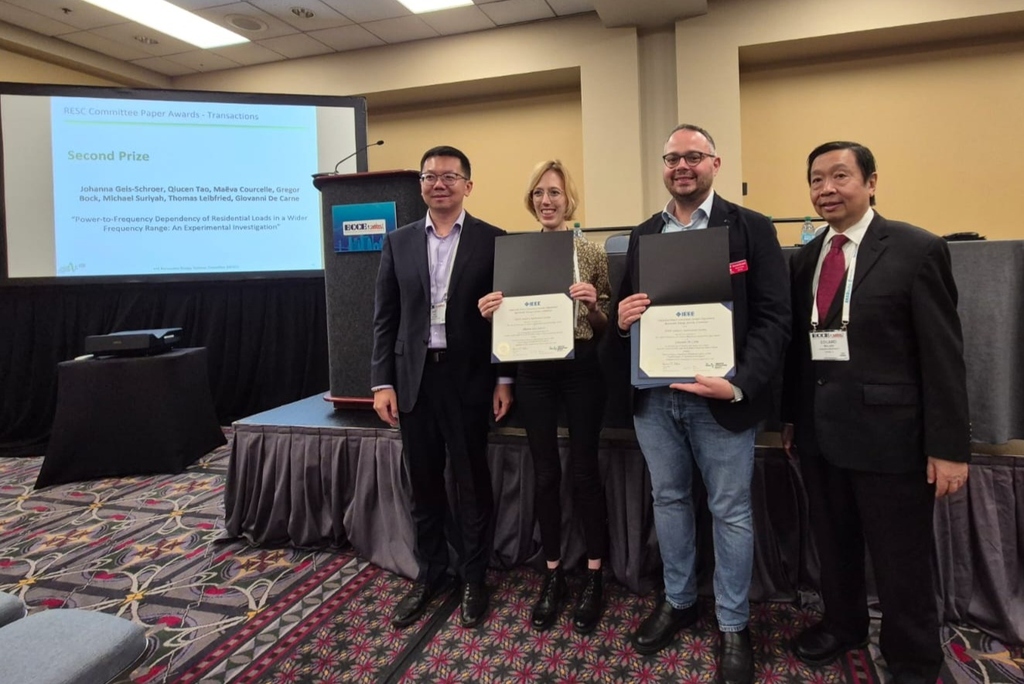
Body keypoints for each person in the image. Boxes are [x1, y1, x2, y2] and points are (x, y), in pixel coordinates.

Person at [781, 141, 970, 684]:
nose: (826, 189)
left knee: (900, 558)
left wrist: (949, 447)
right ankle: (842, 626)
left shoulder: (916, 249)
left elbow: (943, 355)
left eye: (839, 176)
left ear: (871, 182)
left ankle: (913, 658)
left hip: (892, 437)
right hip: (820, 432)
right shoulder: (806, 259)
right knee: (834, 545)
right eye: (816, 180)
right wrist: (794, 417)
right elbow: (803, 349)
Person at [612, 124, 790, 684]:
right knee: (668, 501)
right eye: (671, 158)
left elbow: (773, 321)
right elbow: (626, 313)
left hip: (722, 401)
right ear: (662, 167)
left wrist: (738, 385)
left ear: (715, 162)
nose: (681, 166)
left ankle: (733, 624)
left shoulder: (752, 228)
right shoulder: (641, 235)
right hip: (656, 401)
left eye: (693, 156)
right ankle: (679, 599)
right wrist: (621, 322)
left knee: (730, 511)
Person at [370, 145, 513, 630]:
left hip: (468, 376)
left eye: (450, 176)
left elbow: (506, 322)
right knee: (425, 483)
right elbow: (385, 319)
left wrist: (504, 377)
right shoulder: (398, 241)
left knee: (472, 482)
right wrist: (381, 382)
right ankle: (432, 573)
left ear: (468, 186)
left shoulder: (494, 240)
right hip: (414, 380)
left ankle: (474, 576)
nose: (439, 184)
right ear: (422, 186)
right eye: (430, 176)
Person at [477, 161, 611, 633]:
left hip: (581, 369)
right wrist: (490, 314)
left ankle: (595, 575)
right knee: (545, 473)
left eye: (554, 192)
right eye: (538, 193)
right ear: (531, 200)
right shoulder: (515, 254)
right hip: (533, 371)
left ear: (568, 198)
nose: (546, 200)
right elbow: (506, 330)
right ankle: (552, 574)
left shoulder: (591, 254)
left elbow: (608, 328)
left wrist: (594, 306)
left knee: (584, 472)